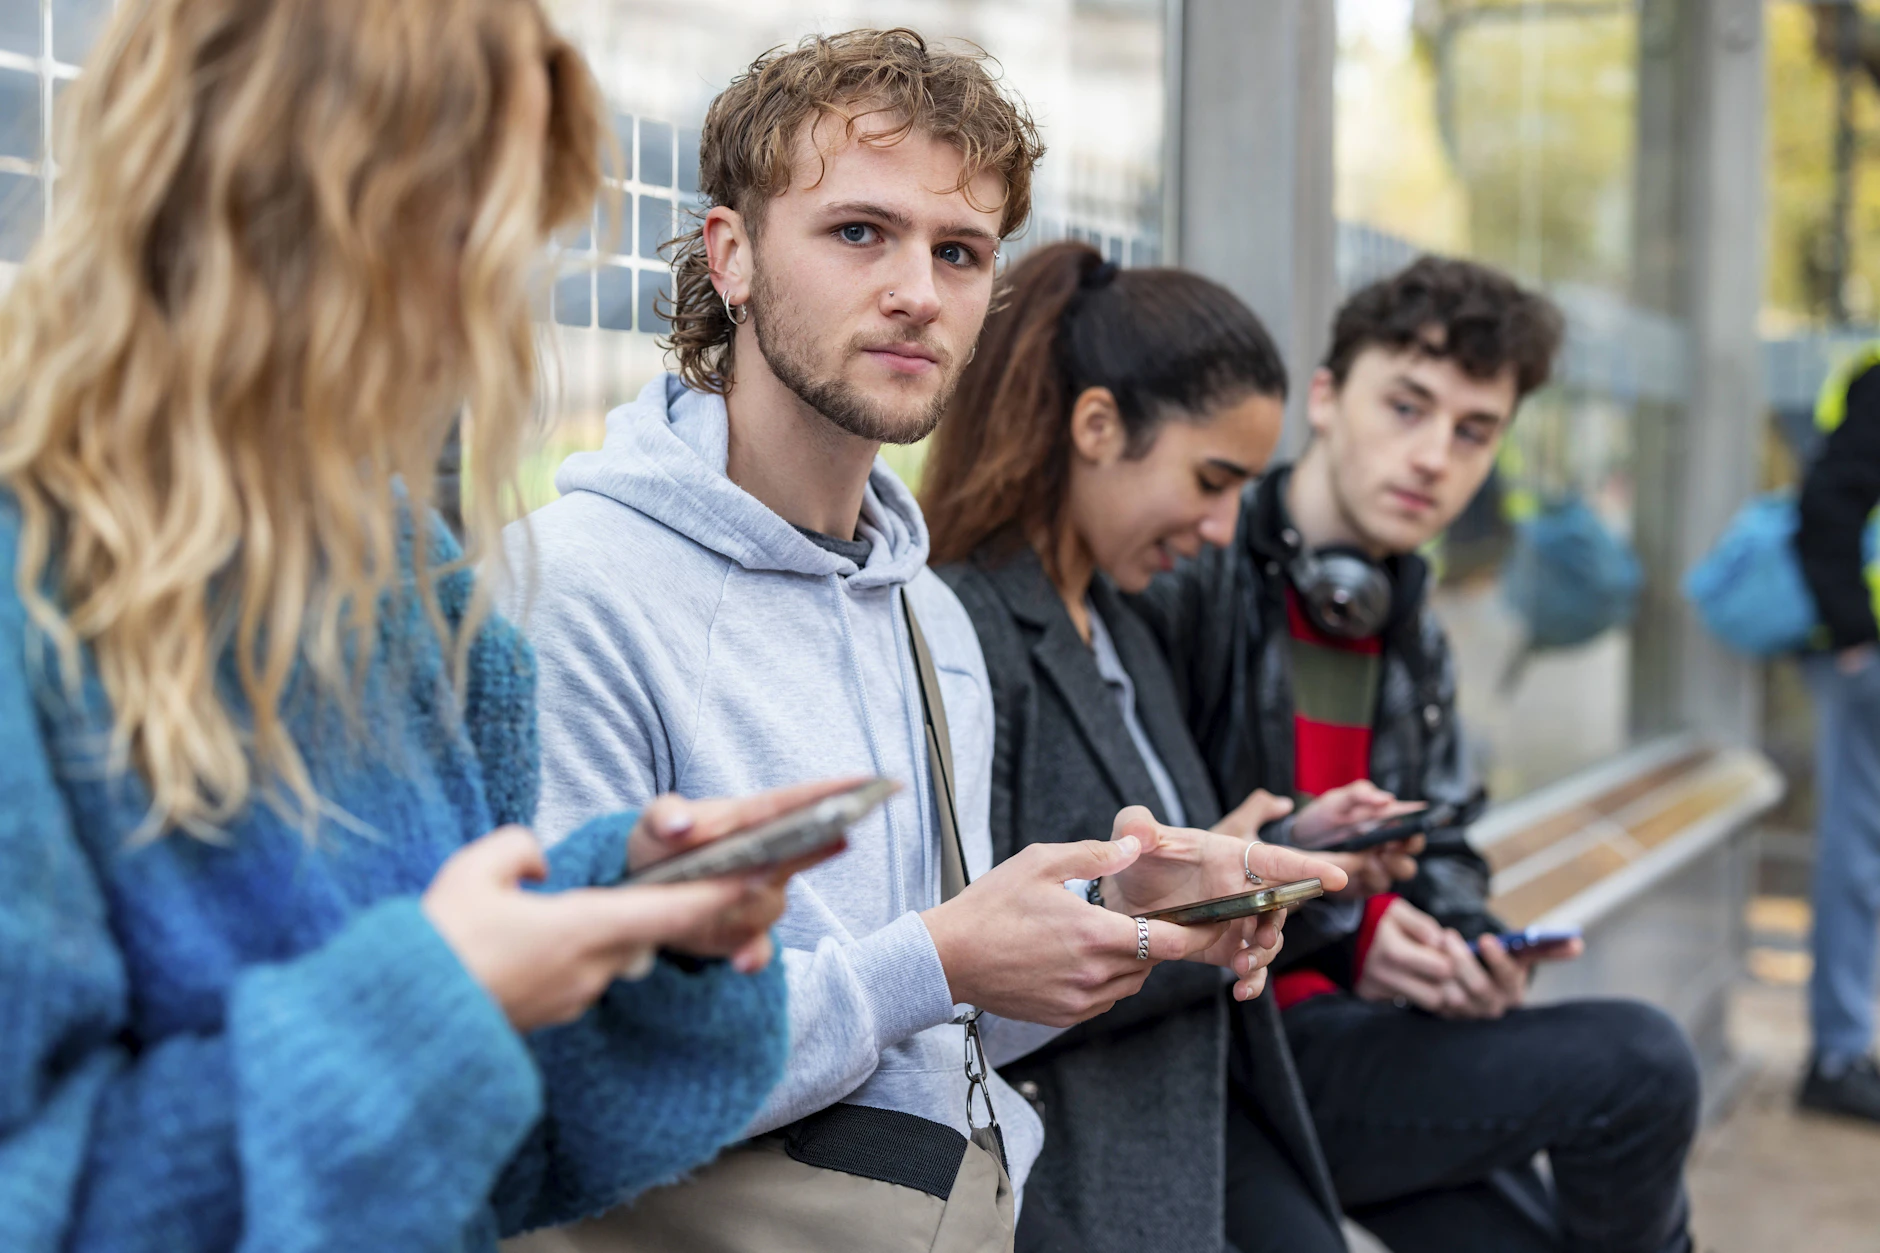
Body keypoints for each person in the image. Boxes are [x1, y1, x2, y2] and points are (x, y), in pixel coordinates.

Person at [0, 3, 829, 1249]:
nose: (481, 318)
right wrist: (434, 999)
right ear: (268, 206)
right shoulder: (32, 578)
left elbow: (500, 1152)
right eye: (455, 238)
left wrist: (624, 920)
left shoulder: (409, 589)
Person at [504, 29, 1332, 1250]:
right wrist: (933, 959)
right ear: (728, 254)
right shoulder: (572, 588)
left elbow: (936, 1029)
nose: (914, 291)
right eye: (857, 232)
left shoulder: (927, 612)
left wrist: (1129, 916)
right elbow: (582, 1077)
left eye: (957, 251)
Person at [1134, 256, 1704, 1253]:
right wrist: (1348, 923)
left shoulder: (1409, 620)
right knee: (1644, 1065)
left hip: (1362, 1038)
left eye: (1472, 430)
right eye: (1405, 406)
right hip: (1227, 1045)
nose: (1433, 454)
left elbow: (1440, 840)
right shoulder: (1194, 568)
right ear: (1323, 397)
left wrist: (1472, 949)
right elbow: (1153, 853)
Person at [925, 240, 1413, 1253]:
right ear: (1097, 425)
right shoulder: (964, 624)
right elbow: (980, 959)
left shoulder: (1124, 621)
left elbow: (1150, 855)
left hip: (1190, 1121)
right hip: (1074, 1162)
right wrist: (1193, 903)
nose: (1225, 525)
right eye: (1210, 477)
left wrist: (1262, 860)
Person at [1794, 344, 1880, 1123]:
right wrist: (1855, 635)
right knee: (1856, 857)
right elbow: (1827, 506)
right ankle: (1838, 1052)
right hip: (1872, 662)